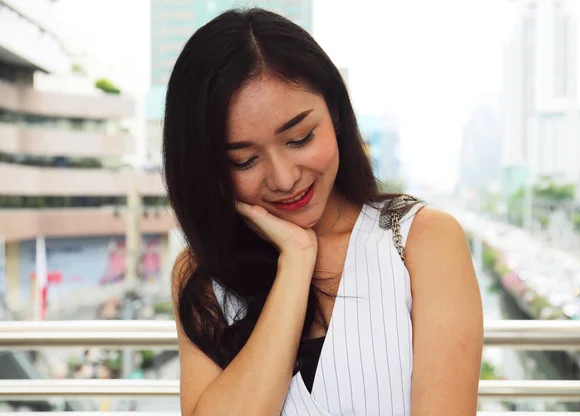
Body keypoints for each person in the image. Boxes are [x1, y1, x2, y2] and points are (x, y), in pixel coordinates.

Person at [163, 8, 483, 416]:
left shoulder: (421, 240)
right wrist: (296, 261)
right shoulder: (202, 276)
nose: (283, 179)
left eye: (300, 138)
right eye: (244, 160)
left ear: (334, 112)